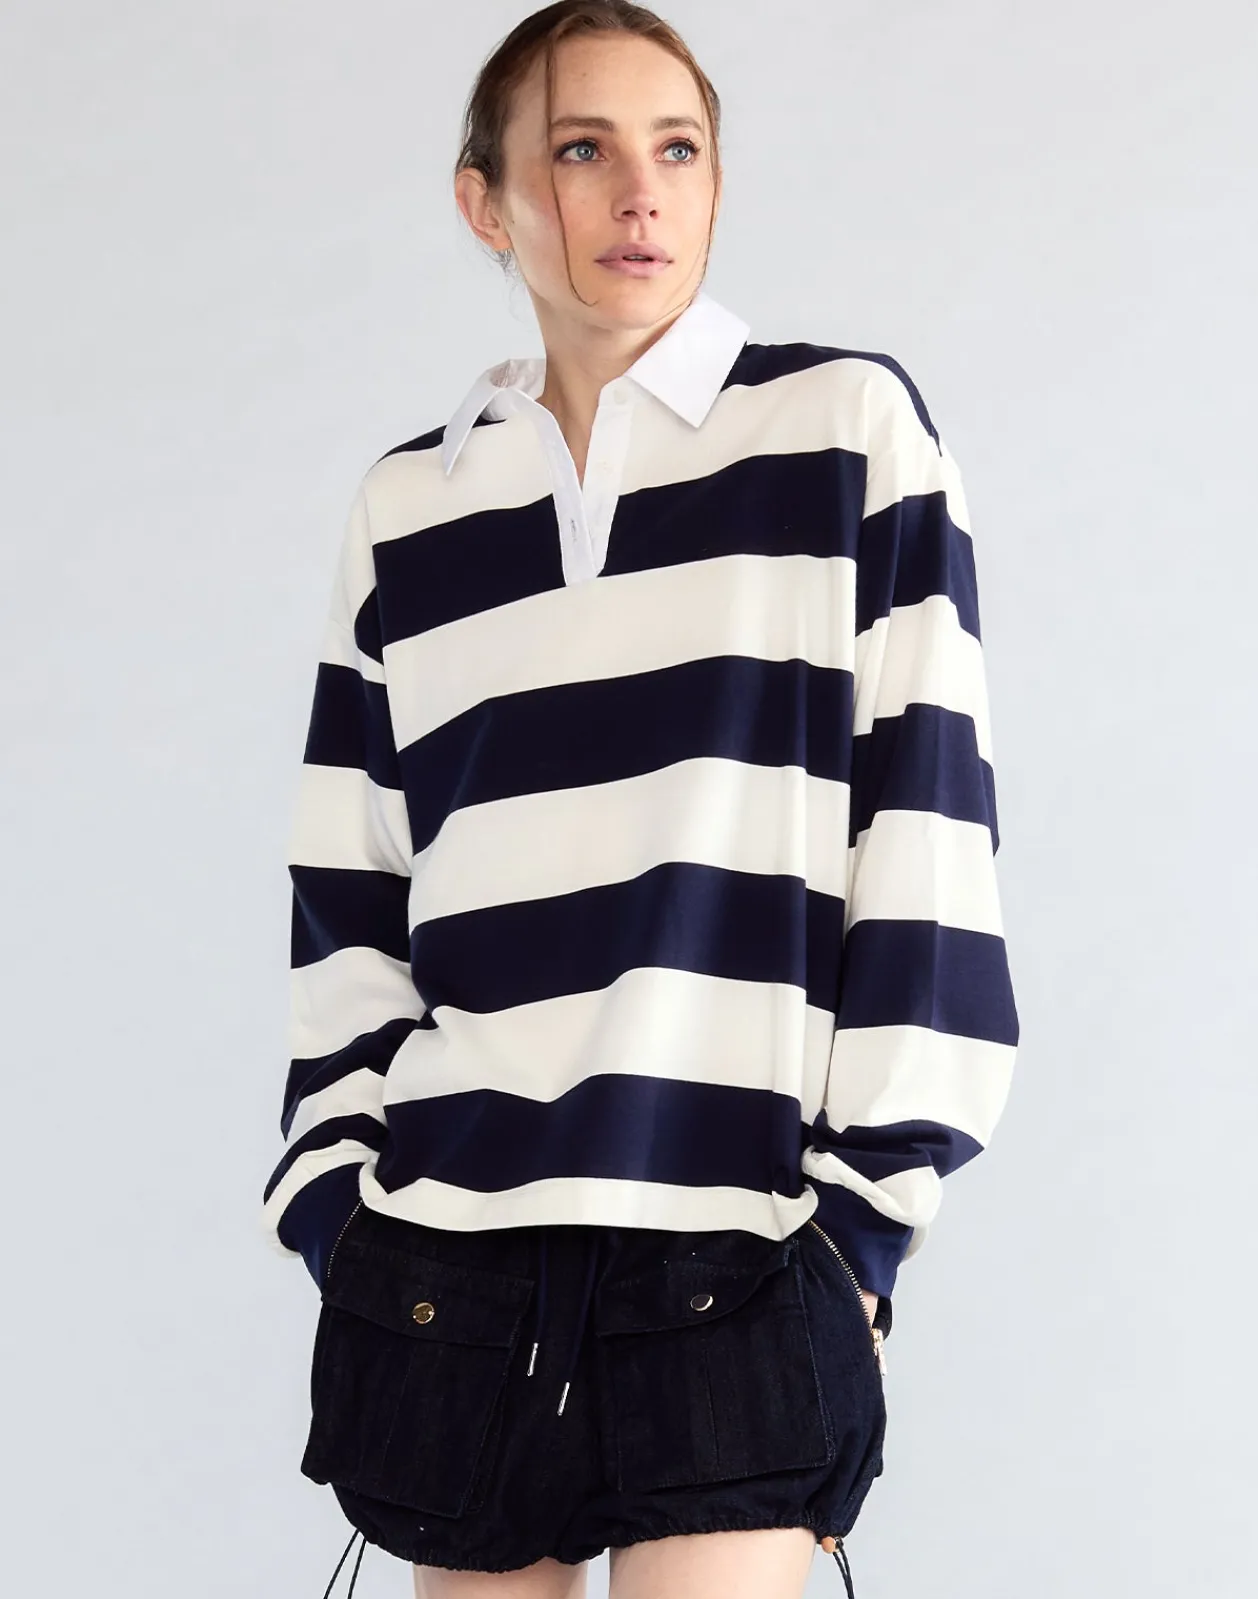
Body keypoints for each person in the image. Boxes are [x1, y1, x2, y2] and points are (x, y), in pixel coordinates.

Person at [259, 4, 1020, 1597]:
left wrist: (858, 1232)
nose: (638, 193)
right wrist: (337, 1202)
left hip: (737, 1251)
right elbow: (349, 886)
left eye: (676, 149)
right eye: (580, 149)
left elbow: (926, 839)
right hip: (449, 1264)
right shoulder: (412, 506)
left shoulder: (841, 433)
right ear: (485, 202)